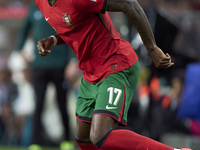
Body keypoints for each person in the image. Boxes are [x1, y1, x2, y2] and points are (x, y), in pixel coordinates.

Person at [35, 0, 191, 149]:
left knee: (100, 136)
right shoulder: (41, 3)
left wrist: (152, 48)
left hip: (115, 64)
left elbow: (128, 3)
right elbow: (72, 25)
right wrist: (53, 40)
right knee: (83, 138)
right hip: (90, 72)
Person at [16, 3, 74, 149]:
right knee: (38, 104)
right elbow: (24, 31)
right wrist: (20, 50)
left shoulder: (62, 8)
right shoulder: (34, 9)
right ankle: (35, 142)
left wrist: (72, 61)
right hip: (39, 66)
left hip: (60, 65)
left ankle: (67, 140)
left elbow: (71, 34)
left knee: (62, 103)